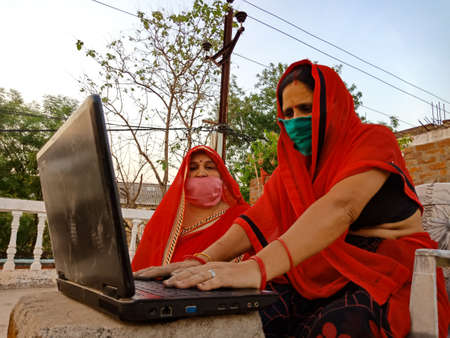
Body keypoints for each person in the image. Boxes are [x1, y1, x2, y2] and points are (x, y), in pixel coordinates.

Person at [136, 60, 449, 337]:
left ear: (333, 105)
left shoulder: (372, 139)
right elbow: (254, 221)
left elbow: (341, 207)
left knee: (335, 326)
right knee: (241, 315)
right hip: (318, 272)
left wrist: (255, 268)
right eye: (287, 113)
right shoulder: (294, 167)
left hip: (386, 273)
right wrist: (200, 260)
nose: (295, 119)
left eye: (305, 108)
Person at [132, 145, 249, 272]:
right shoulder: (164, 220)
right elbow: (140, 269)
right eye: (193, 168)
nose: (201, 173)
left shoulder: (241, 216)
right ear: (185, 178)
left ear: (222, 176)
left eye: (209, 167)